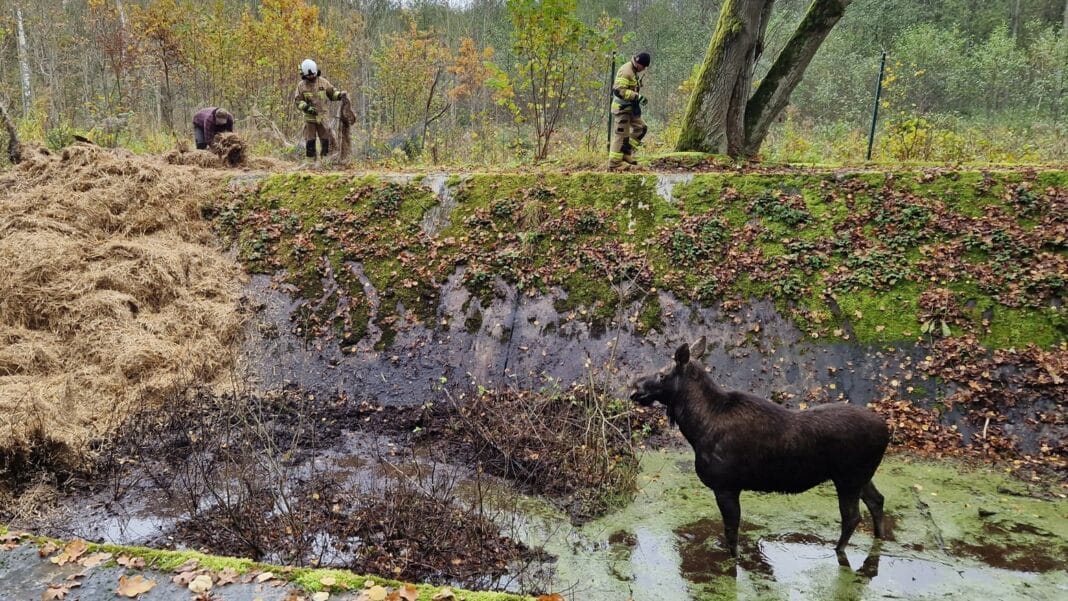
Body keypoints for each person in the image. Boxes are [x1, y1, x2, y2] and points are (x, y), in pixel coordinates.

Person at [294, 58, 348, 161]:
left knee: (325, 140)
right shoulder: (301, 86)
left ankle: (325, 161)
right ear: (304, 74)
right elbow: (298, 101)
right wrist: (306, 108)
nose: (311, 77)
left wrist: (340, 95)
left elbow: (332, 94)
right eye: (308, 75)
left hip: (323, 117)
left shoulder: (323, 82)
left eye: (312, 74)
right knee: (310, 141)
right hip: (310, 119)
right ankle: (310, 164)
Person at [607, 52, 651, 170]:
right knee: (621, 135)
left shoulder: (634, 71)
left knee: (641, 128)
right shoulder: (626, 71)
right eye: (644, 66)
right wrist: (637, 96)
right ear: (639, 63)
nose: (644, 69)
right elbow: (618, 91)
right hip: (621, 109)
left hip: (630, 108)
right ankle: (614, 163)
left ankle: (626, 153)